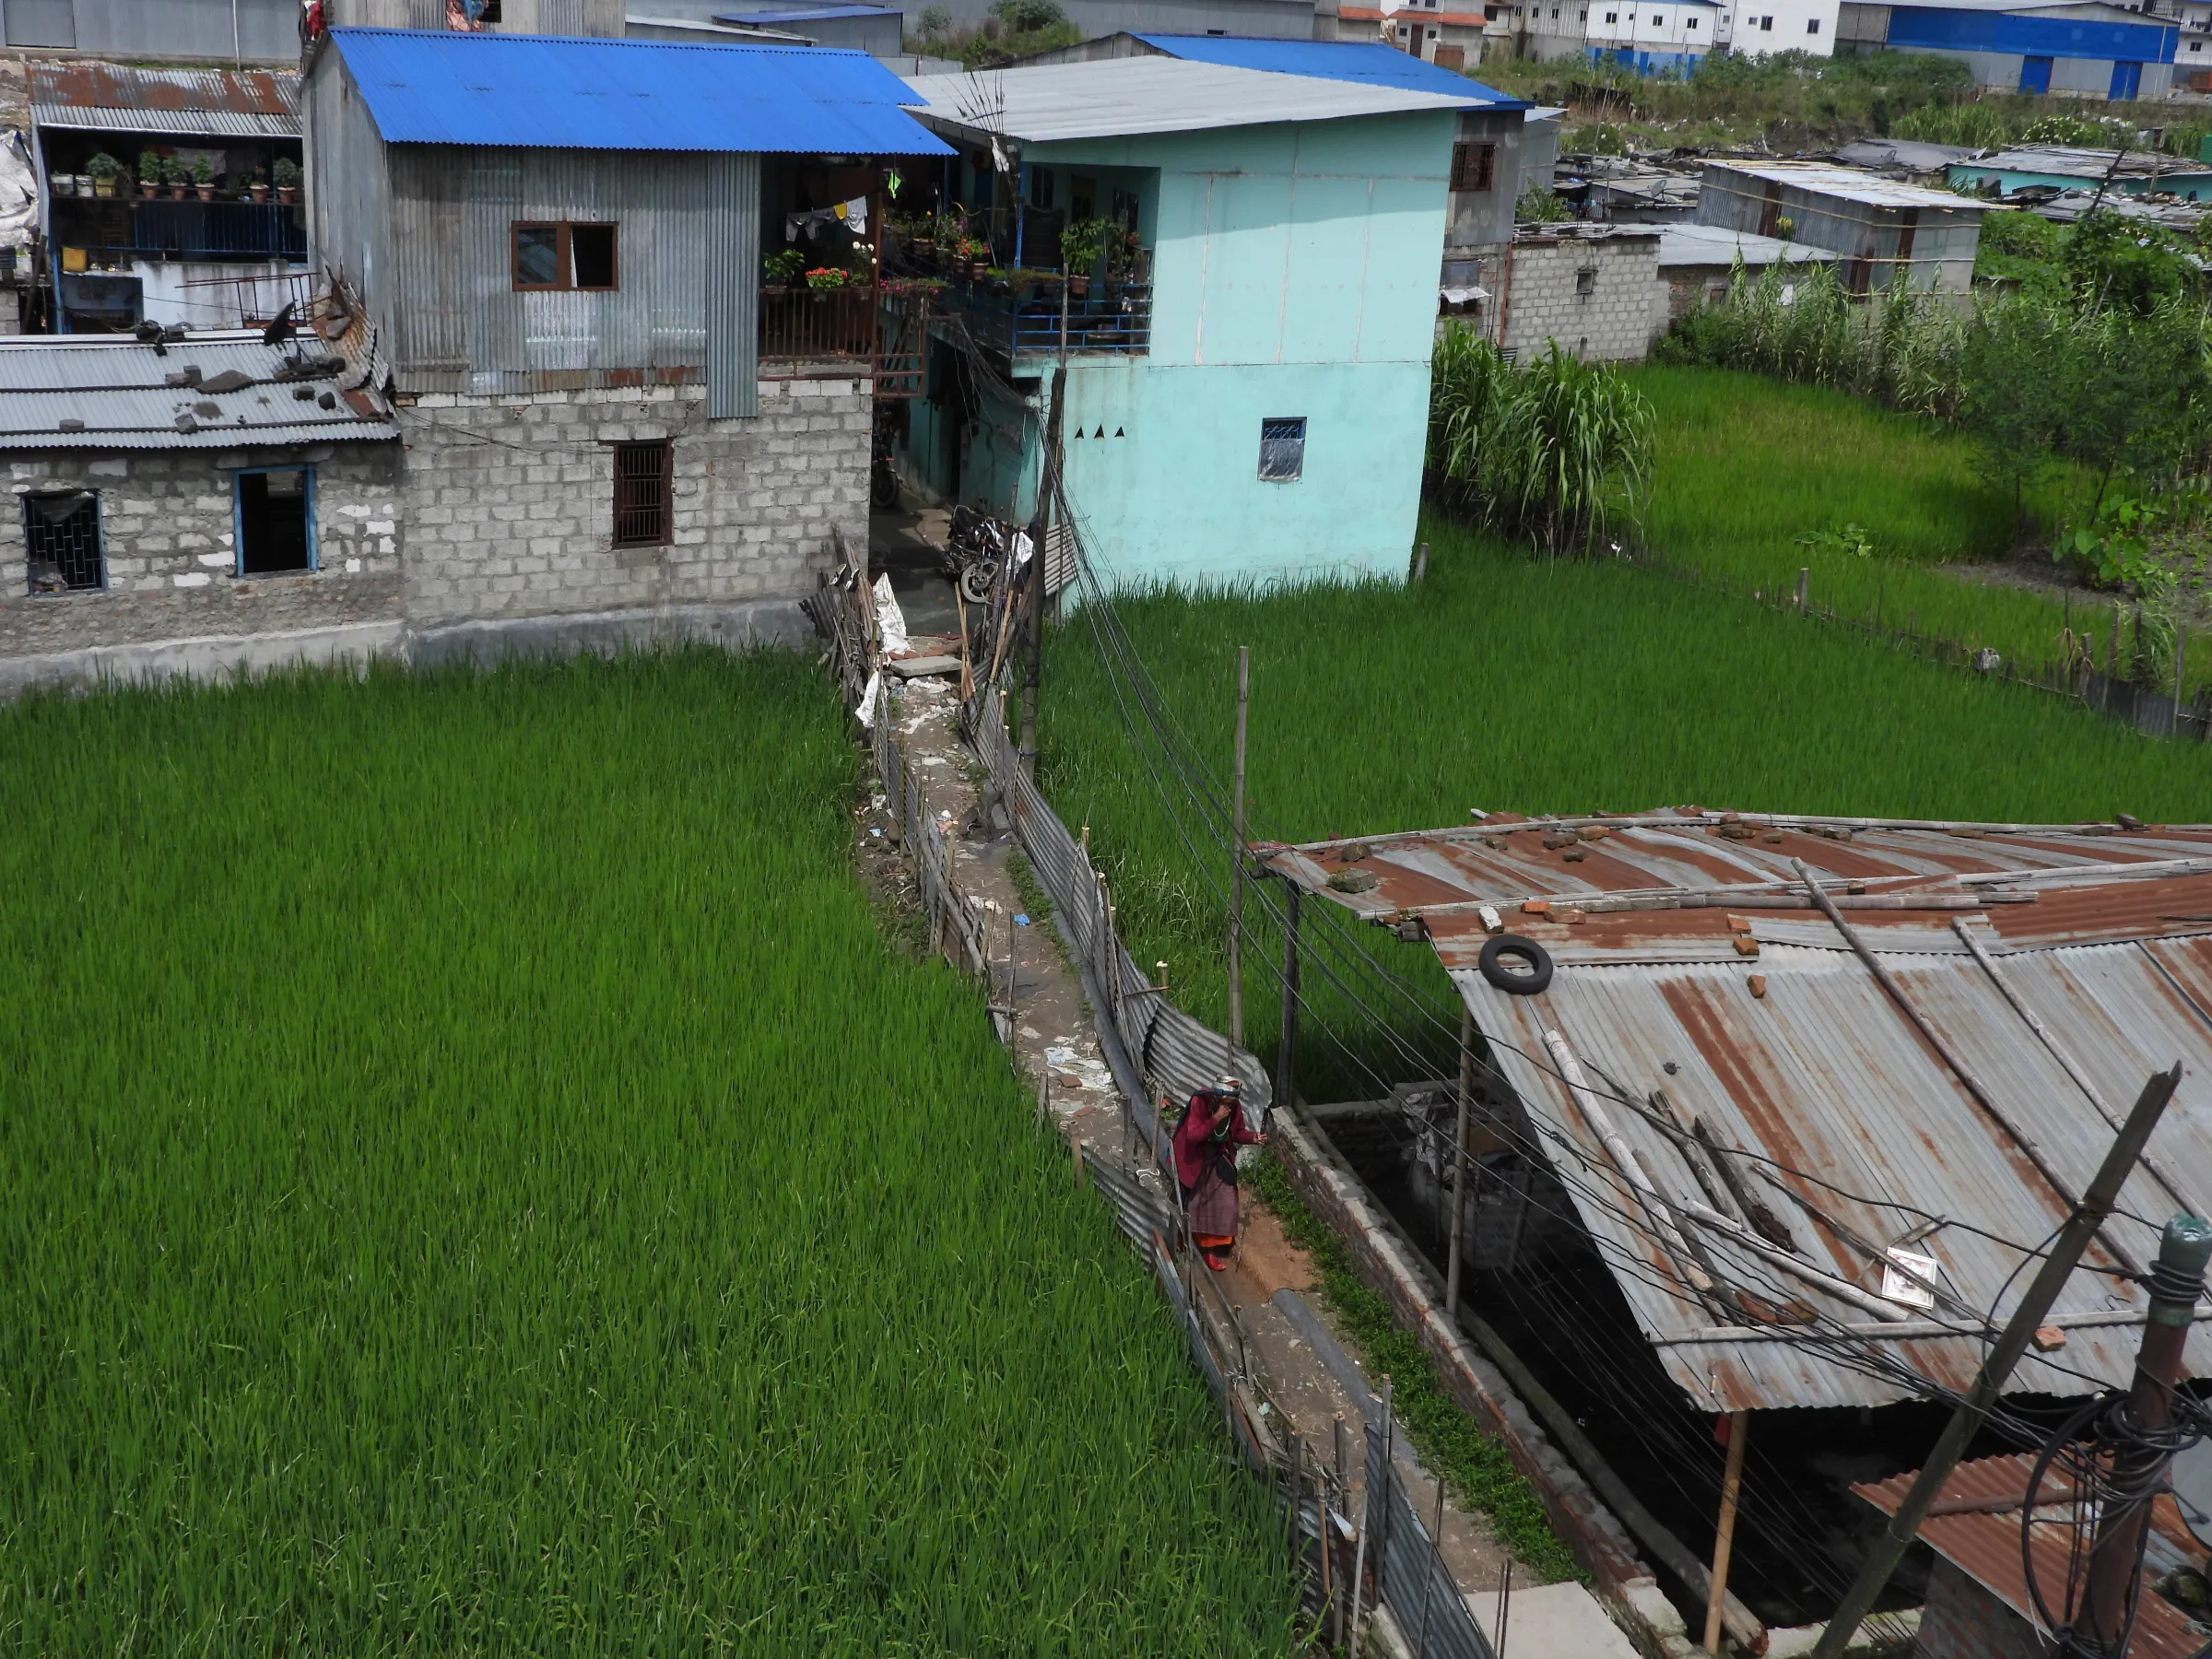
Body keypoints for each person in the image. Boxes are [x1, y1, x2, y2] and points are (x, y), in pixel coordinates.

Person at [1172, 1076, 1265, 1272]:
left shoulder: (1234, 1107)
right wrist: (1215, 1118)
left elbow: (1237, 1132)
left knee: (1227, 1202)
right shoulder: (1200, 1102)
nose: (1229, 1105)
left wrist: (1253, 1137)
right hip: (1195, 1158)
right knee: (1195, 1204)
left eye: (1232, 1101)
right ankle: (1189, 1241)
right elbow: (1193, 1136)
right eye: (1226, 1101)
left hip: (1218, 1158)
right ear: (1217, 1095)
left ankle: (1213, 1246)